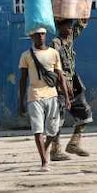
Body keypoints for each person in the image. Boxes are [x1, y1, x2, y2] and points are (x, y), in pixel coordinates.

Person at [18, 26, 71, 171]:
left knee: (53, 130)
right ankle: (44, 162)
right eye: (37, 35)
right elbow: (23, 79)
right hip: (34, 96)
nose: (41, 37)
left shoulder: (53, 53)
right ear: (32, 37)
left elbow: (60, 76)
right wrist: (20, 101)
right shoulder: (26, 55)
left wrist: (66, 97)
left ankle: (45, 149)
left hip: (52, 95)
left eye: (42, 34)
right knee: (38, 130)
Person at [52, 18, 91, 156]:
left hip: (73, 83)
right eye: (68, 27)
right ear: (60, 28)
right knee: (58, 118)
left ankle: (74, 143)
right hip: (60, 85)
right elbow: (54, 66)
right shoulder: (55, 44)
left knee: (85, 113)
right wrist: (62, 83)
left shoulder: (69, 39)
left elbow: (78, 28)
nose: (70, 29)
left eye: (70, 27)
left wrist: (83, 18)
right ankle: (55, 149)